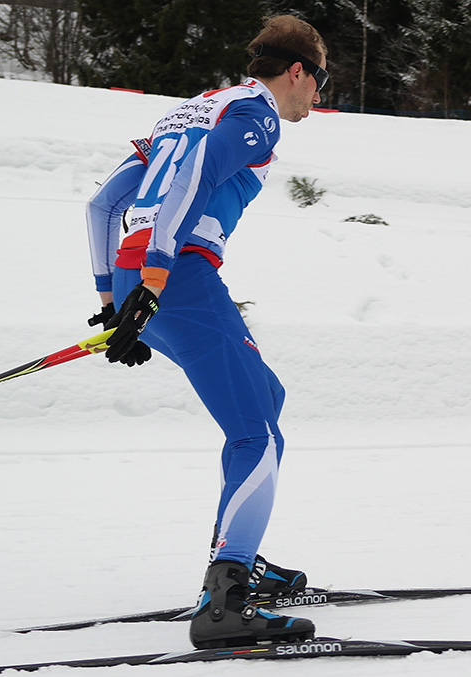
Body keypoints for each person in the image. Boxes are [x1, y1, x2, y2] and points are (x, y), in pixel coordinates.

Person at [82, 15, 330, 648]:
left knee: (264, 400)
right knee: (258, 431)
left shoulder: (195, 107)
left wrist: (116, 299)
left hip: (146, 278)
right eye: (320, 79)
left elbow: (103, 204)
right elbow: (184, 182)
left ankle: (242, 555)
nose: (318, 95)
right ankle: (225, 599)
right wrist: (157, 278)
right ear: (296, 71)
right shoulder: (259, 112)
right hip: (178, 277)